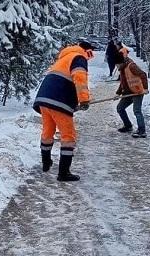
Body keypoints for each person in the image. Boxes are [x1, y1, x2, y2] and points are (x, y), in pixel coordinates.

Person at [33, 41, 95, 182]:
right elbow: (79, 78)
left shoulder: (63, 58)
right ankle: (63, 173)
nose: (90, 58)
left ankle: (46, 163)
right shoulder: (79, 57)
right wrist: (84, 100)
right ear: (87, 51)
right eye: (90, 54)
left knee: (48, 131)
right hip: (58, 99)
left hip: (44, 98)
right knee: (68, 135)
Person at [115, 57, 149, 138]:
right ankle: (128, 126)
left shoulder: (131, 66)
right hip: (128, 93)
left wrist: (145, 88)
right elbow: (123, 83)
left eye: (117, 65)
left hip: (138, 91)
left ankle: (142, 131)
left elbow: (143, 74)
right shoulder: (123, 69)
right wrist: (118, 93)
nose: (116, 67)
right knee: (120, 108)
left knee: (137, 111)